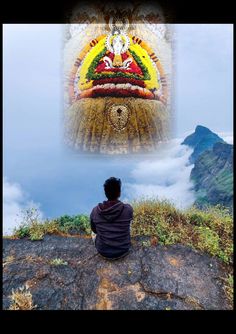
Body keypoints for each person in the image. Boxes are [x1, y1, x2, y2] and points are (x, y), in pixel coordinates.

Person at [90, 177, 133, 260]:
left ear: (105, 193)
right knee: (129, 224)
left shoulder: (95, 211)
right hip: (123, 250)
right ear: (119, 193)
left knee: (93, 232)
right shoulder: (128, 209)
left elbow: (94, 230)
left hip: (103, 251)